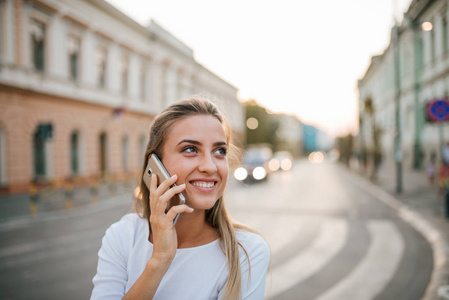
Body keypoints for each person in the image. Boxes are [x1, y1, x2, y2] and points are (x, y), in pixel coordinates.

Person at [90, 97, 271, 300]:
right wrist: (158, 261)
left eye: (219, 151)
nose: (210, 166)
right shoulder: (123, 236)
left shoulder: (246, 252)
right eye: (190, 149)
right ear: (155, 164)